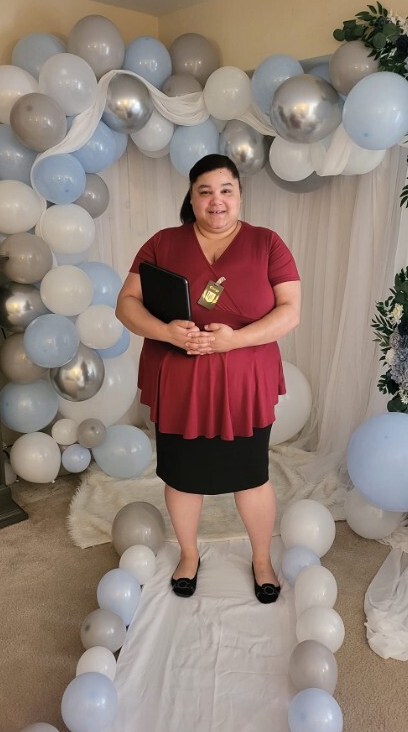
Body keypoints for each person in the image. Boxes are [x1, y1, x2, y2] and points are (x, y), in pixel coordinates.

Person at [116, 153, 301, 603]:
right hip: (181, 384)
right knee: (183, 476)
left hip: (243, 384)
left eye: (226, 190)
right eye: (205, 191)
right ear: (192, 197)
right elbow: (126, 304)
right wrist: (166, 332)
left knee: (251, 474)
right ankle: (188, 555)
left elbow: (290, 312)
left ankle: (261, 559)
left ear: (240, 195)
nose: (216, 201)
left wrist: (233, 340)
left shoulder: (267, 243)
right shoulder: (163, 242)